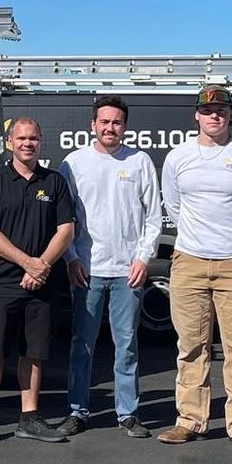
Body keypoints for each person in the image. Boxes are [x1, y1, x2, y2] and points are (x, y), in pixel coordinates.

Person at [158, 85, 232, 452]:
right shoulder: (179, 157)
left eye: (221, 110)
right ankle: (190, 421)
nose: (215, 116)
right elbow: (174, 205)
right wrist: (198, 238)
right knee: (191, 347)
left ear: (231, 115)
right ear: (196, 115)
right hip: (189, 261)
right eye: (208, 110)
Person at [57, 95, 162, 439]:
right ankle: (77, 410)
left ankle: (127, 413)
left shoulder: (139, 161)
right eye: (104, 121)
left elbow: (152, 215)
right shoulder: (74, 163)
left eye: (116, 122)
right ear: (93, 125)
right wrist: (71, 258)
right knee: (81, 344)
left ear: (125, 126)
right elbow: (63, 218)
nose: (110, 128)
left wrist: (144, 257)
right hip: (87, 269)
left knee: (126, 344)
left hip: (127, 271)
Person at [0, 117, 75, 445]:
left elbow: (66, 230)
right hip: (2, 282)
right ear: (10, 142)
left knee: (34, 351)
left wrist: (40, 266)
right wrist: (27, 263)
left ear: (40, 141)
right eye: (21, 138)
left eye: (33, 138)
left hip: (42, 283)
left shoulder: (55, 182)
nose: (27, 143)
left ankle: (29, 417)